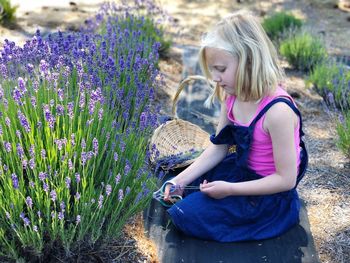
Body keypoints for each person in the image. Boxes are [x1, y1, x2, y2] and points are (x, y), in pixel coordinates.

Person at [162, 10, 308, 242]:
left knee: (187, 216)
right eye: (212, 70)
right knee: (170, 181)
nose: (215, 78)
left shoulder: (278, 112)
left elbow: (286, 179)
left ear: (250, 60)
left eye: (221, 69)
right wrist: (179, 181)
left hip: (267, 193)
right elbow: (219, 147)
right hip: (239, 170)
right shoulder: (232, 94)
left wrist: (230, 189)